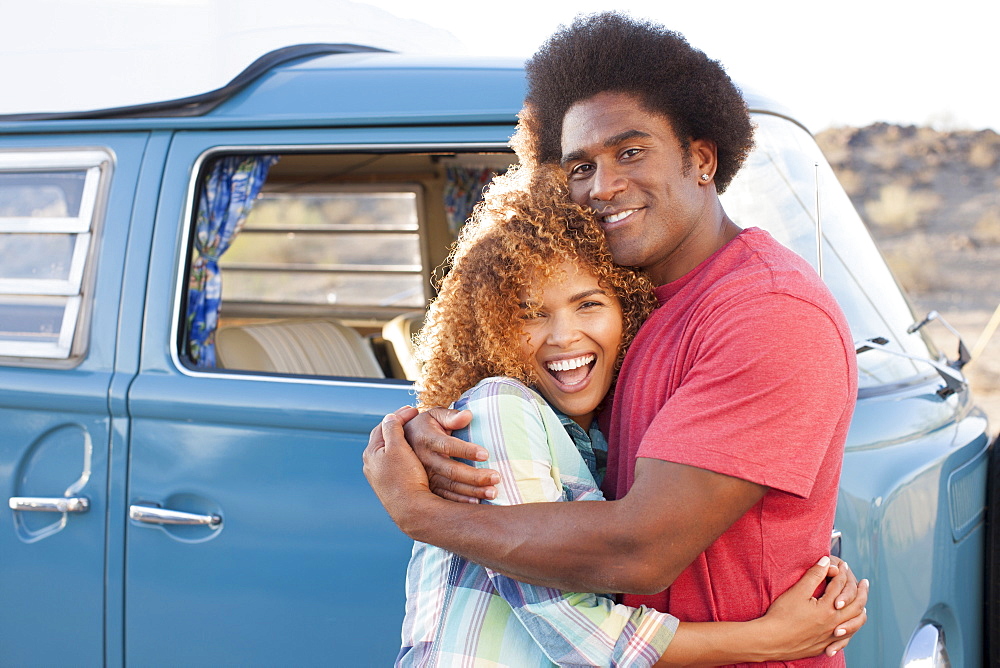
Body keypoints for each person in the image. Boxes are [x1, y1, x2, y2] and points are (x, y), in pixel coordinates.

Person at [364, 12, 860, 667]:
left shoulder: (766, 310)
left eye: (630, 151)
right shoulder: (632, 309)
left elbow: (639, 547)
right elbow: (552, 440)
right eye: (579, 166)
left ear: (702, 158)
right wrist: (438, 426)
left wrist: (422, 515)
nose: (602, 186)